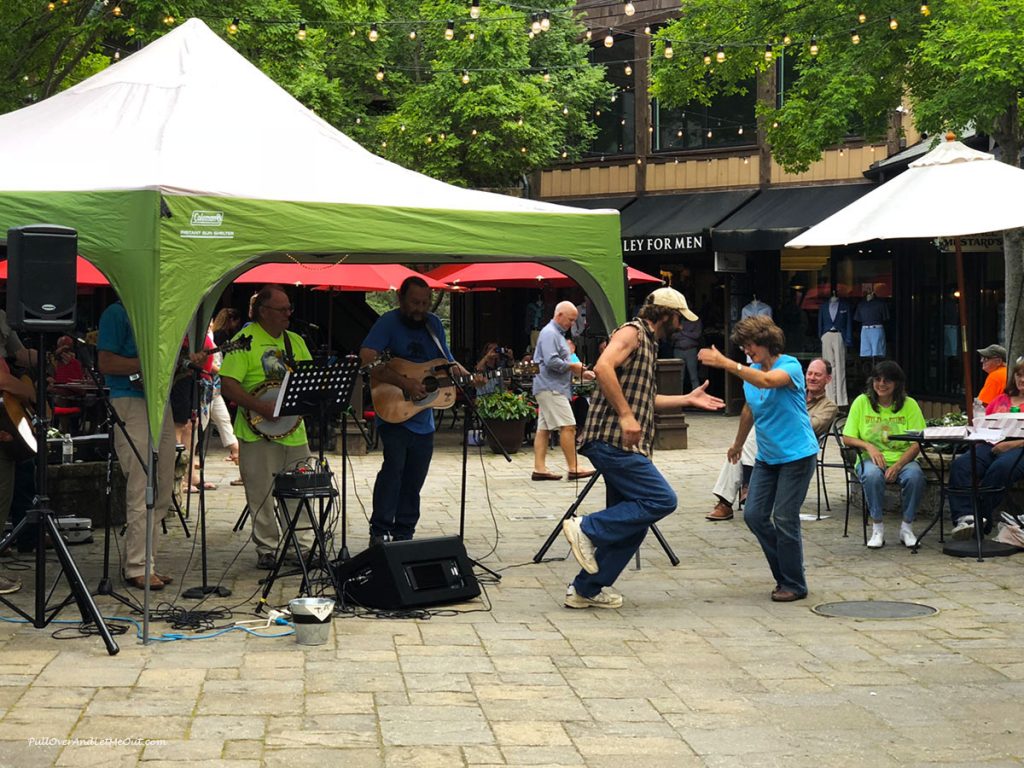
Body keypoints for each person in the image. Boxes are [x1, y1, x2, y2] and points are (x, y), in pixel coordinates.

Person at [560, 287, 724, 609]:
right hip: (611, 440)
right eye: (678, 318)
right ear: (665, 314)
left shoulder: (649, 344)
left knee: (633, 527)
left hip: (623, 444)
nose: (681, 324)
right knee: (661, 499)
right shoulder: (633, 332)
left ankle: (585, 590)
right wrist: (625, 415)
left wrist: (687, 399)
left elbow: (644, 399)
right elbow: (603, 367)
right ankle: (587, 528)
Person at [698, 316, 820, 602]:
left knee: (785, 517)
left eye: (750, 346)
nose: (747, 352)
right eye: (743, 348)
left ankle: (794, 583)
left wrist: (727, 363)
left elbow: (767, 381)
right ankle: (786, 572)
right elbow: (749, 410)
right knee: (753, 515)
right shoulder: (750, 370)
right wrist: (737, 444)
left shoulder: (789, 367)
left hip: (797, 455)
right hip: (767, 456)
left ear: (766, 342)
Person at [360, 276, 468, 545]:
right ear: (401, 299)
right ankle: (380, 530)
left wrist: (470, 375)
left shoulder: (432, 324)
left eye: (425, 302)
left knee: (415, 477)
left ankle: (404, 534)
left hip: (423, 417)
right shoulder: (388, 322)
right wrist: (404, 382)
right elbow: (367, 357)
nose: (420, 308)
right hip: (394, 409)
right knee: (394, 470)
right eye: (415, 302)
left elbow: (446, 362)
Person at [219, 285, 314, 569]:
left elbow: (307, 379)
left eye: (289, 309)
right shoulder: (244, 340)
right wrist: (261, 406)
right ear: (263, 312)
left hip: (294, 431)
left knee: (300, 489)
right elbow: (228, 384)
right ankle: (268, 548)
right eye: (282, 309)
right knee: (260, 491)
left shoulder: (295, 340)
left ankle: (302, 546)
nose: (288, 314)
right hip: (256, 429)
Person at [97, 301, 179, 590]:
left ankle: (148, 561)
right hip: (129, 400)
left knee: (162, 485)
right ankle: (137, 566)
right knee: (141, 483)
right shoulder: (117, 312)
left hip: (159, 401)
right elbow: (105, 362)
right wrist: (148, 363)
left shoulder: (161, 314)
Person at [707, 358, 837, 522]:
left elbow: (810, 427)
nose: (811, 378)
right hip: (770, 444)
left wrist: (781, 416)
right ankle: (742, 489)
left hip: (796, 449)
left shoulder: (829, 406)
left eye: (818, 375)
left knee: (748, 439)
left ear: (828, 379)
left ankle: (729, 500)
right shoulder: (793, 390)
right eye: (809, 373)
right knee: (744, 441)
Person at [841, 361, 926, 549]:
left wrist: (898, 465)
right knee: (872, 476)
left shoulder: (910, 405)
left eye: (887, 380)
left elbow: (917, 443)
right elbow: (847, 437)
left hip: (902, 458)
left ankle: (907, 527)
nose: (881, 384)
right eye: (877, 379)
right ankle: (877, 527)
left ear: (897, 384)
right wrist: (868, 447)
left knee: (915, 477)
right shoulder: (861, 402)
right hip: (869, 459)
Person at [950, 358, 1024, 539]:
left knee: (1001, 469)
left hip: (1019, 446)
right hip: (989, 443)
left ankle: (980, 517)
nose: (1022, 380)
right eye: (1019, 375)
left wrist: (1011, 444)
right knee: (962, 465)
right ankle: (964, 517)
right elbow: (983, 424)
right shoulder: (1000, 399)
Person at [532, 301, 596, 482]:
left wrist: (582, 371)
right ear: (559, 315)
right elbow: (552, 362)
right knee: (568, 426)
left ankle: (540, 468)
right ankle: (573, 467)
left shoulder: (555, 334)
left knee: (543, 429)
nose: (572, 324)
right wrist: (574, 366)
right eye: (570, 319)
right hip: (551, 387)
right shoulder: (550, 333)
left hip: (548, 386)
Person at [209, 308, 243, 467]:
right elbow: (209, 363)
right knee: (196, 427)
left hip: (214, 385)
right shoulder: (215, 335)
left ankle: (236, 450)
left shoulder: (213, 335)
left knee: (223, 418)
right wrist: (226, 372)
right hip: (208, 384)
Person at [670, 313, 703, 393]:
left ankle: (697, 398)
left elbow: (697, 335)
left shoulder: (696, 321)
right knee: (679, 377)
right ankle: (678, 400)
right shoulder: (677, 320)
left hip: (691, 350)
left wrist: (682, 332)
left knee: (693, 377)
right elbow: (672, 336)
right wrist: (688, 334)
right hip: (678, 351)